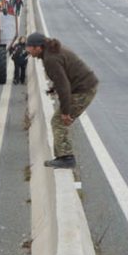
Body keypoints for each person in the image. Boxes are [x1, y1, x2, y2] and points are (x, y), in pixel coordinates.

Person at [25, 32, 98, 169]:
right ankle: (62, 156)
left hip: (84, 89)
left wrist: (66, 111)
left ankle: (67, 158)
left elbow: (64, 86)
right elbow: (63, 76)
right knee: (59, 120)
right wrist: (54, 88)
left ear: (38, 48)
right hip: (83, 86)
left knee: (59, 121)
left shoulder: (50, 59)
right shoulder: (50, 52)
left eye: (29, 47)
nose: (27, 50)